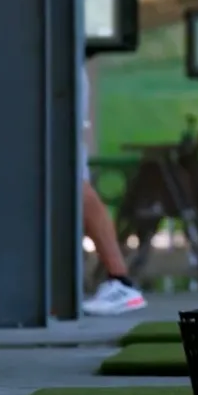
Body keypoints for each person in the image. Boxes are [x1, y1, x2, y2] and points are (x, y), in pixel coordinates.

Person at [78, 61, 147, 316]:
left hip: (55, 84)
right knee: (71, 188)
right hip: (50, 81)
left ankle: (120, 281)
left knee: (75, 187)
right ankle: (119, 280)